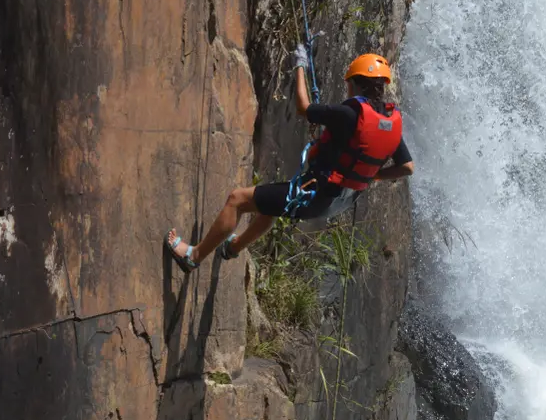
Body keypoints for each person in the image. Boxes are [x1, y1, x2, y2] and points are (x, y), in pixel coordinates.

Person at [164, 47, 414, 273]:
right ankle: (233, 248)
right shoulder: (390, 123)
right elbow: (406, 167)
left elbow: (303, 107)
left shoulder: (349, 113)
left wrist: (300, 66)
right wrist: (372, 175)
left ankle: (193, 256)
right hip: (340, 201)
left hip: (318, 194)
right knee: (271, 204)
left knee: (237, 199)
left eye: (349, 83)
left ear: (357, 83)